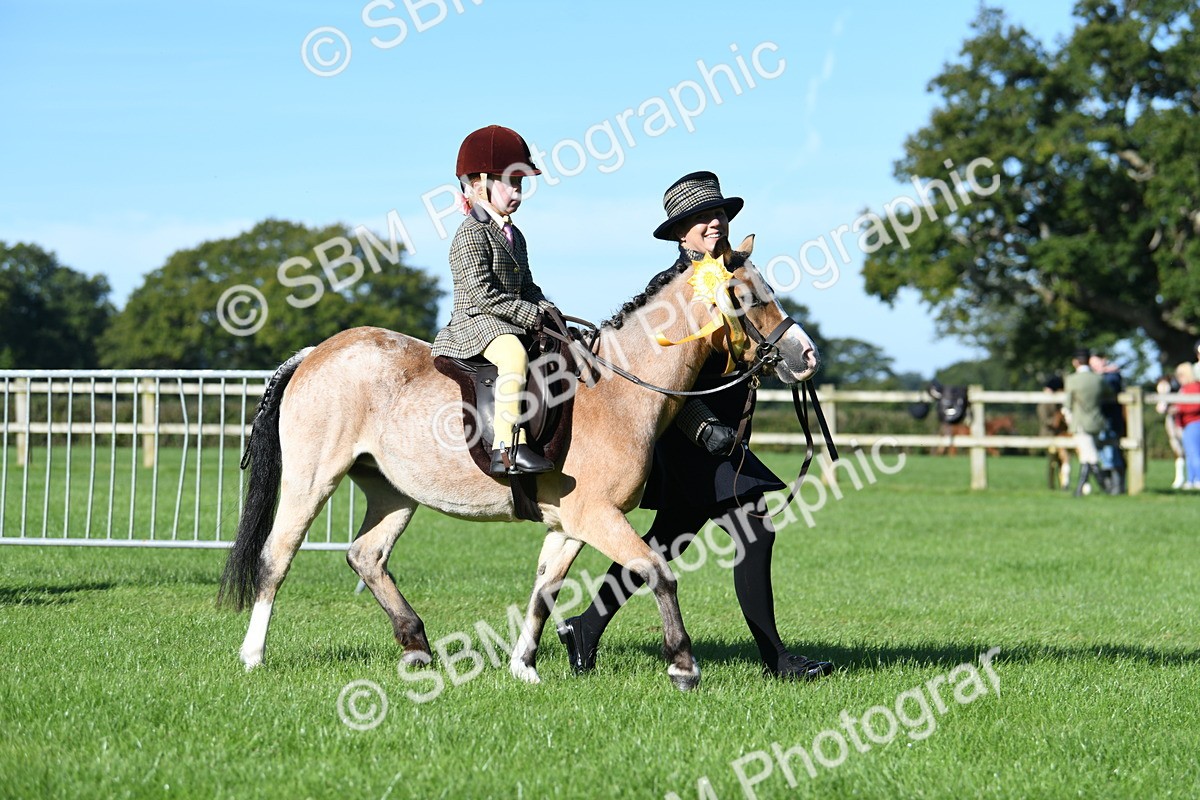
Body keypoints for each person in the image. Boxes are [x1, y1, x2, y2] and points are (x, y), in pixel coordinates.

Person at [556, 171, 833, 681]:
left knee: (665, 541)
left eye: (718, 214)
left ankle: (586, 627)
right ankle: (779, 662)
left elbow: (755, 334)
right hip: (689, 440)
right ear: (681, 235)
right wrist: (703, 427)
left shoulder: (738, 271)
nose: (712, 223)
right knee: (755, 530)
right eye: (698, 219)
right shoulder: (666, 292)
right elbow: (653, 380)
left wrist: (778, 354)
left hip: (725, 433)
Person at [431, 125, 556, 475]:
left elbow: (527, 287)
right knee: (514, 356)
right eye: (510, 183)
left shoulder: (515, 234)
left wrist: (548, 311)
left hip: (507, 317)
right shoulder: (470, 233)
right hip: (477, 321)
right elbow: (484, 295)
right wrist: (530, 315)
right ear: (477, 184)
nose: (517, 192)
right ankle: (506, 448)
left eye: (520, 184)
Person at [1063, 348, 1107, 497]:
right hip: (1096, 422)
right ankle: (1079, 490)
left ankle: (1106, 488)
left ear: (1075, 362)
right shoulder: (1098, 379)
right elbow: (1109, 393)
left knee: (1091, 456)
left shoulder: (1072, 380)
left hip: (1080, 423)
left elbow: (1067, 404)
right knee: (1085, 456)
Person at [1089, 352, 1126, 494]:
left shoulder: (1113, 376)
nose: (1094, 366)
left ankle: (1116, 487)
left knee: (1111, 453)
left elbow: (1109, 389)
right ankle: (1110, 486)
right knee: (1103, 454)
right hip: (1099, 421)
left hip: (1110, 420)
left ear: (1104, 360)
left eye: (1096, 362)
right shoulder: (1102, 375)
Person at [1037, 375, 1070, 490]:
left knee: (1062, 460)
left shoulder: (1058, 401)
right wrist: (1057, 419)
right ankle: (1051, 484)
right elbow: (1045, 419)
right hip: (1048, 434)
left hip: (1059, 434)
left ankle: (1063, 484)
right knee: (1052, 462)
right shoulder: (1044, 402)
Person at [1174, 362, 1200, 490]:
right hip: (1187, 424)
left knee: (1195, 453)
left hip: (1194, 423)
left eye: (1181, 375)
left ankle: (1198, 479)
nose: (1179, 378)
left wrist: (1178, 408)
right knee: (1190, 454)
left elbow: (1195, 406)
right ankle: (1191, 479)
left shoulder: (1193, 387)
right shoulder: (1185, 388)